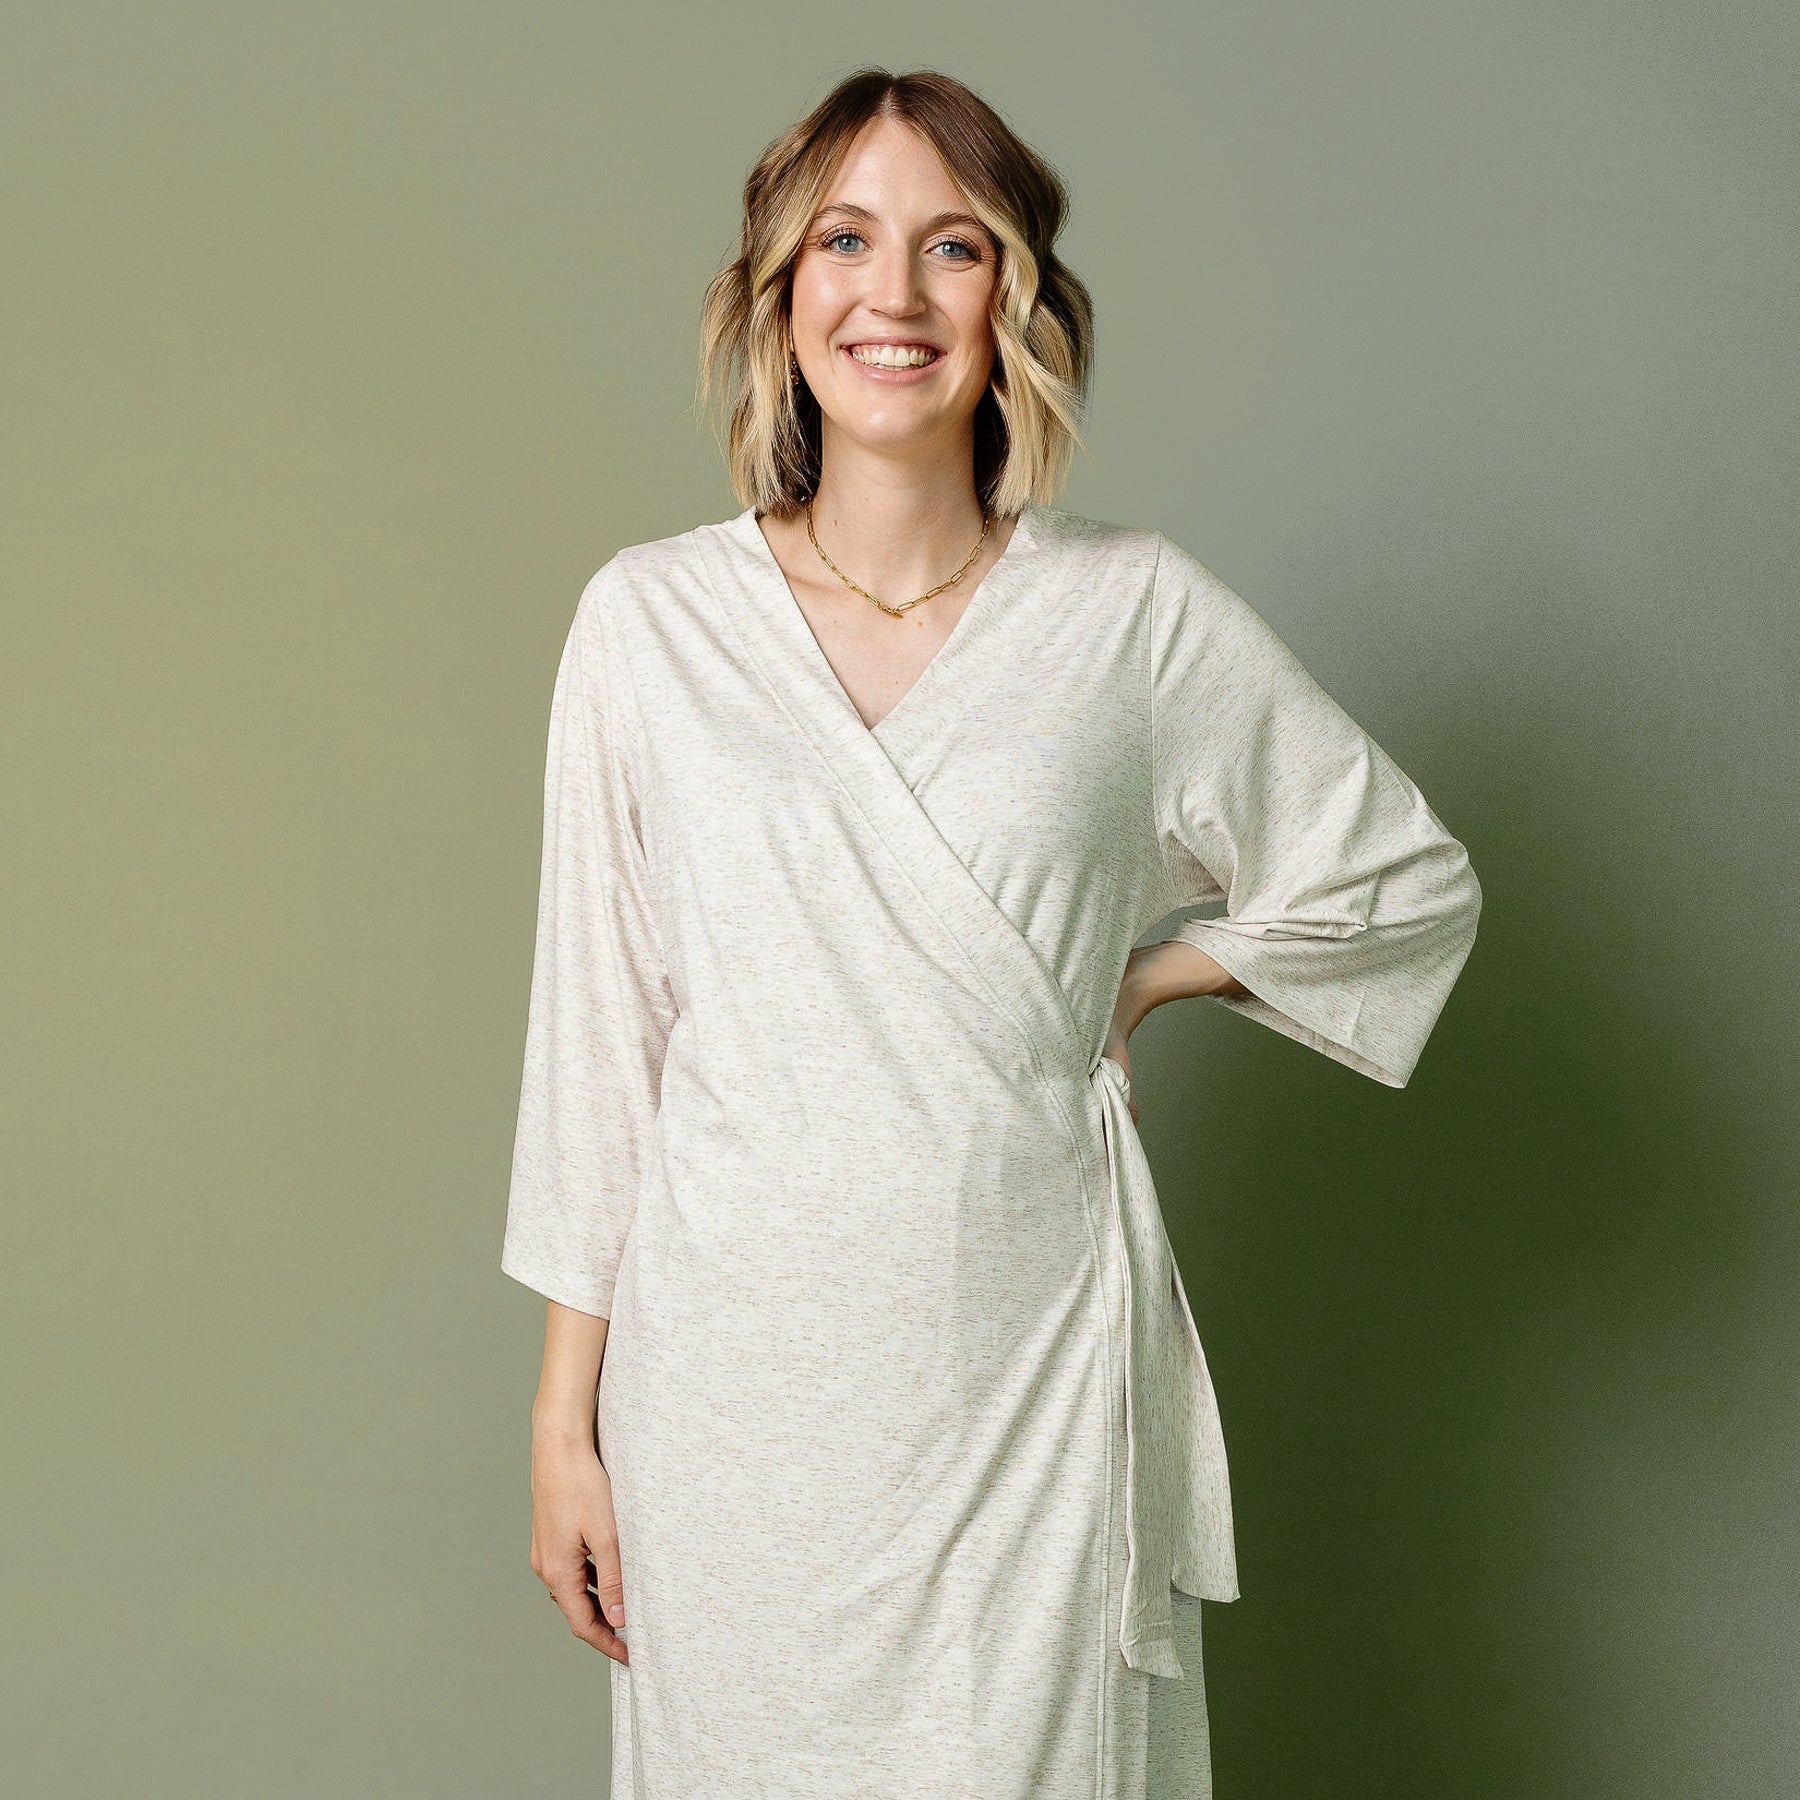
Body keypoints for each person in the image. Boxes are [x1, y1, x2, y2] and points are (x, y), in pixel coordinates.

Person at [501, 66, 1481, 1800]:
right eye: (844, 242)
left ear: (1015, 300)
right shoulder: (650, 625)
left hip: (1023, 1385)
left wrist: (1145, 976)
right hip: (728, 1404)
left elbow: (1396, 876)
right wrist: (563, 1422)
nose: (892, 294)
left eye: (952, 247)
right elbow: (602, 1039)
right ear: (778, 292)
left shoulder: (1129, 615)